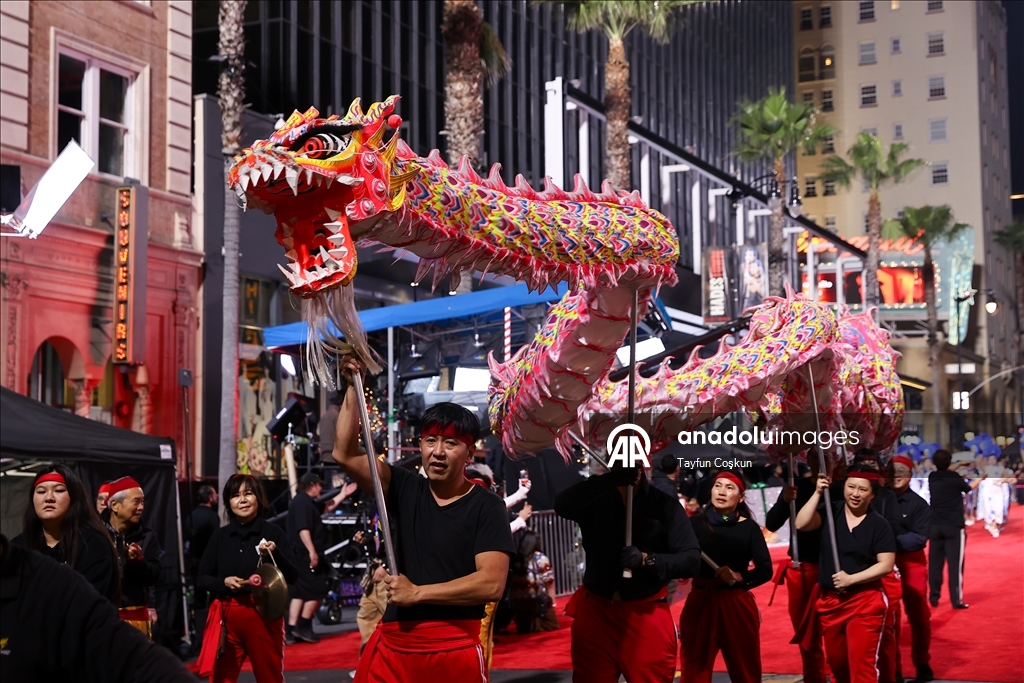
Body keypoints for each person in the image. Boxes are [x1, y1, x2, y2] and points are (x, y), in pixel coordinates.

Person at [333, 356, 516, 683]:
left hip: (453, 648)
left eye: (451, 443)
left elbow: (491, 584)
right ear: (420, 445)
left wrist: (418, 593)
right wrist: (352, 386)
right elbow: (345, 453)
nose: (438, 451)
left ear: (470, 453)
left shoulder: (486, 506)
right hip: (393, 645)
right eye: (431, 440)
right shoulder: (402, 485)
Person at [555, 462, 701, 683]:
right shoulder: (595, 498)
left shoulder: (665, 505)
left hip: (646, 614)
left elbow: (690, 560)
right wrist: (606, 480)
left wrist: (646, 560)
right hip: (597, 612)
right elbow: (562, 505)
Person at [0, 534, 196, 683]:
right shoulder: (25, 543)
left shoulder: (55, 581)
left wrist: (136, 563)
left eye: (141, 501)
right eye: (41, 491)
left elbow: (139, 663)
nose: (49, 498)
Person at [796, 465, 896, 683]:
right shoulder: (831, 512)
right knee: (838, 665)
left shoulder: (879, 524)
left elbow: (886, 565)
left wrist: (851, 579)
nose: (855, 494)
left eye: (862, 489)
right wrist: (818, 492)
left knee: (862, 667)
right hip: (830, 603)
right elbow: (801, 523)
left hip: (865, 602)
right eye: (851, 487)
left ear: (873, 494)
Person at [196, 474, 299, 683]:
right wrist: (222, 582)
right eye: (235, 495)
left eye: (248, 493)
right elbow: (201, 577)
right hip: (227, 618)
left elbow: (293, 577)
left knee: (269, 677)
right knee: (221, 679)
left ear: (258, 498)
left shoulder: (273, 533)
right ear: (228, 502)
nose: (242, 500)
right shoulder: (219, 537)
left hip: (263, 615)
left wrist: (275, 553)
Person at [679, 471, 772, 683]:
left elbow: (765, 570)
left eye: (729, 488)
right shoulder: (693, 525)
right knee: (694, 671)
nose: (721, 491)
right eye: (718, 485)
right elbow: (682, 563)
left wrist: (740, 577)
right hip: (700, 603)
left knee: (745, 670)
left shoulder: (748, 528)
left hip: (735, 604)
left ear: (740, 497)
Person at [12, 465, 120, 604]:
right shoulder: (18, 547)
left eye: (59, 490)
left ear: (75, 497)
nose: (49, 498)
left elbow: (84, 604)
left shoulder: (93, 545)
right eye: (41, 492)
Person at [764, 456, 827, 683]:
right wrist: (784, 500)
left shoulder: (844, 488)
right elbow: (771, 524)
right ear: (810, 459)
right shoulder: (796, 487)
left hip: (836, 569)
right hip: (802, 568)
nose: (823, 460)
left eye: (828, 455)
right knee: (807, 636)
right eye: (817, 455)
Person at [286, 471, 358, 644]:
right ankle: (303, 626)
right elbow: (303, 529)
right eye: (318, 485)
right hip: (305, 555)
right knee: (317, 589)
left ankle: (291, 630)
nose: (321, 487)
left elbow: (326, 507)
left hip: (299, 555)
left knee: (299, 593)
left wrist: (343, 494)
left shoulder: (304, 502)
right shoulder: (302, 503)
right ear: (311, 486)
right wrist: (312, 551)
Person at [852, 450, 904, 683]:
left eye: (872, 464)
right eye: (863, 464)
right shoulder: (845, 498)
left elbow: (893, 530)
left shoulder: (887, 497)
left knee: (888, 632)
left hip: (881, 570)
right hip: (852, 574)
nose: (868, 467)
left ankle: (893, 674)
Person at [889, 455, 934, 683]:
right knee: (890, 619)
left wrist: (887, 542)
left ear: (910, 474)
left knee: (919, 617)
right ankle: (893, 668)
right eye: (893, 470)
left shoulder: (919, 504)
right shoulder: (878, 500)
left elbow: (919, 538)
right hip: (884, 566)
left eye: (902, 471)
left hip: (912, 563)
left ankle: (922, 662)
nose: (897, 475)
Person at [102, 476, 163, 637]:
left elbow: (154, 576)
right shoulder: (94, 535)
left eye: (143, 502)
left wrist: (135, 562)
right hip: (102, 616)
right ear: (115, 505)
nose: (141, 507)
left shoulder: (148, 537)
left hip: (135, 618)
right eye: (136, 502)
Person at [927, 450, 982, 609]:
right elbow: (968, 488)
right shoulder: (955, 478)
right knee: (955, 565)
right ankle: (956, 599)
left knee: (935, 564)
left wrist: (957, 465)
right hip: (954, 526)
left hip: (935, 525)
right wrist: (981, 478)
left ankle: (934, 595)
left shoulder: (932, 477)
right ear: (949, 462)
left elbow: (945, 471)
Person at [508, 529, 558, 634]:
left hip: (517, 603)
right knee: (553, 624)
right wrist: (552, 603)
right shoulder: (540, 558)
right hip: (535, 601)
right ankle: (535, 624)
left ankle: (529, 624)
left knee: (524, 626)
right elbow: (549, 581)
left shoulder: (516, 558)